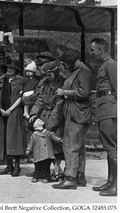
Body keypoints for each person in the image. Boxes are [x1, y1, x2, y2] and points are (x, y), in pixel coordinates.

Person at [51, 49, 92, 190]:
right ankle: (79, 176)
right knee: (78, 146)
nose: (65, 67)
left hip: (78, 113)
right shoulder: (77, 70)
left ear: (72, 62)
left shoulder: (84, 71)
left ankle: (70, 178)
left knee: (70, 145)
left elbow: (84, 92)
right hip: (73, 111)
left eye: (66, 64)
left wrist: (65, 92)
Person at [29, 61, 65, 182]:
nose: (47, 77)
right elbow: (39, 100)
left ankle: (56, 170)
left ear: (55, 72)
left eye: (49, 74)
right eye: (46, 75)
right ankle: (43, 170)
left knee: (56, 147)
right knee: (44, 145)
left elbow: (59, 107)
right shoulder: (45, 84)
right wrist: (33, 113)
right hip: (44, 116)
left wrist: (51, 123)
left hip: (57, 118)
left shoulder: (62, 84)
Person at [89, 38, 117, 196]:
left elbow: (119, 89)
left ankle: (118, 186)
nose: (91, 53)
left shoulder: (111, 65)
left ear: (101, 50)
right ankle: (110, 182)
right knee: (109, 147)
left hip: (110, 110)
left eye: (93, 50)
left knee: (112, 148)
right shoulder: (104, 65)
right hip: (104, 108)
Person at [0, 59, 26, 177]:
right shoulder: (1, 81)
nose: (9, 70)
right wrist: (0, 109)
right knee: (5, 139)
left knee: (15, 139)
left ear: (16, 70)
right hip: (2, 112)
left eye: (12, 69)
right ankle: (9, 165)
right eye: (8, 68)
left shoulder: (20, 81)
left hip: (14, 111)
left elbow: (21, 97)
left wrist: (10, 109)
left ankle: (17, 166)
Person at [26, 118, 63, 183]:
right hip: (46, 154)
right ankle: (40, 177)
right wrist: (60, 140)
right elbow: (55, 138)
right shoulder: (43, 133)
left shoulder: (36, 134)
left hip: (39, 154)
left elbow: (30, 144)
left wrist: (28, 150)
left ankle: (39, 177)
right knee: (43, 166)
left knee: (41, 166)